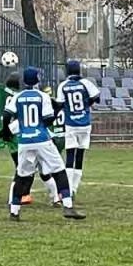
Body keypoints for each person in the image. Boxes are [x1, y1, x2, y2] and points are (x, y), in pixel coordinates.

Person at [4, 67, 85, 221]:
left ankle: (14, 212)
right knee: (59, 171)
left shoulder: (18, 97)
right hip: (41, 139)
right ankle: (68, 206)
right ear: (37, 80)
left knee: (21, 176)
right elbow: (48, 120)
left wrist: (7, 132)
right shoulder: (42, 96)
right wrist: (54, 112)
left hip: (25, 141)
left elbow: (6, 114)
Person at [55, 60, 100, 199]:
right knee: (79, 157)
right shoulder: (86, 83)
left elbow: (59, 105)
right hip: (85, 124)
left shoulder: (63, 85)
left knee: (70, 157)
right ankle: (74, 188)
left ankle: (67, 189)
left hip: (71, 124)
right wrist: (87, 104)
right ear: (79, 70)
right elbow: (97, 98)